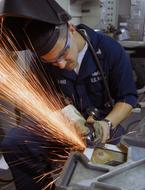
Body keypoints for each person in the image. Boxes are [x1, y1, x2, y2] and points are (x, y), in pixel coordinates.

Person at [1, 2, 137, 190]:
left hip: (104, 127)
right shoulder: (40, 64)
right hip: (64, 127)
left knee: (114, 159)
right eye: (54, 62)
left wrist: (106, 124)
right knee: (15, 142)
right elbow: (45, 102)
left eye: (64, 54)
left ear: (71, 30)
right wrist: (68, 118)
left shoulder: (109, 49)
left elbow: (127, 97)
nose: (62, 64)